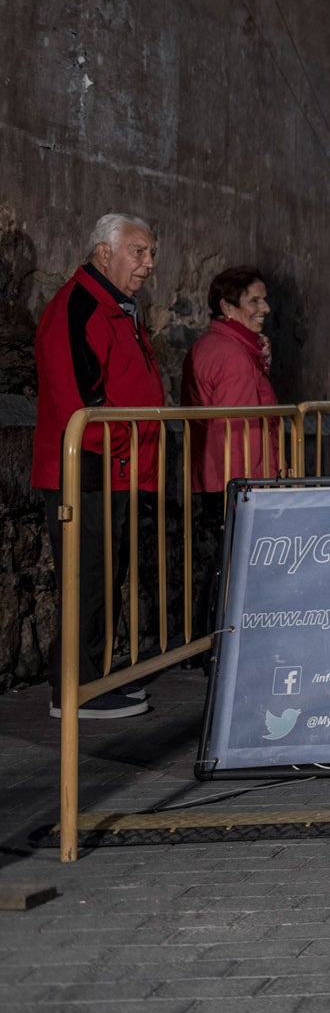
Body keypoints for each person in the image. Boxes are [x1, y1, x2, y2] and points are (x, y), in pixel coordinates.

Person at [32, 213, 165, 720]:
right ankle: (72, 690)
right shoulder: (79, 305)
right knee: (86, 574)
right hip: (89, 469)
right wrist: (122, 453)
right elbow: (80, 403)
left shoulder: (118, 307)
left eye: (151, 253)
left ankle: (92, 679)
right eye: (139, 251)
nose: (149, 263)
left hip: (118, 468)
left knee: (104, 575)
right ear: (104, 252)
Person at [183, 266, 281, 641]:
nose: (265, 307)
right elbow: (238, 434)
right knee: (234, 563)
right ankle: (218, 643)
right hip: (236, 476)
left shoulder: (224, 348)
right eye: (254, 300)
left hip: (219, 474)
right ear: (228, 306)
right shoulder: (233, 355)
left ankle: (208, 642)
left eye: (264, 298)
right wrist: (249, 488)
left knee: (224, 560)